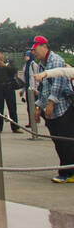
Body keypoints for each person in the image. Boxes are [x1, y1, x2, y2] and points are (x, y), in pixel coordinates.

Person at [30, 36, 74, 183]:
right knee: (58, 141)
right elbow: (44, 88)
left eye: (35, 49)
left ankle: (68, 172)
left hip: (62, 108)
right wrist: (38, 107)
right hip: (52, 110)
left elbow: (59, 82)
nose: (34, 53)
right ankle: (66, 170)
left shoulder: (55, 60)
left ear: (44, 46)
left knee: (66, 141)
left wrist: (51, 103)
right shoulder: (42, 64)